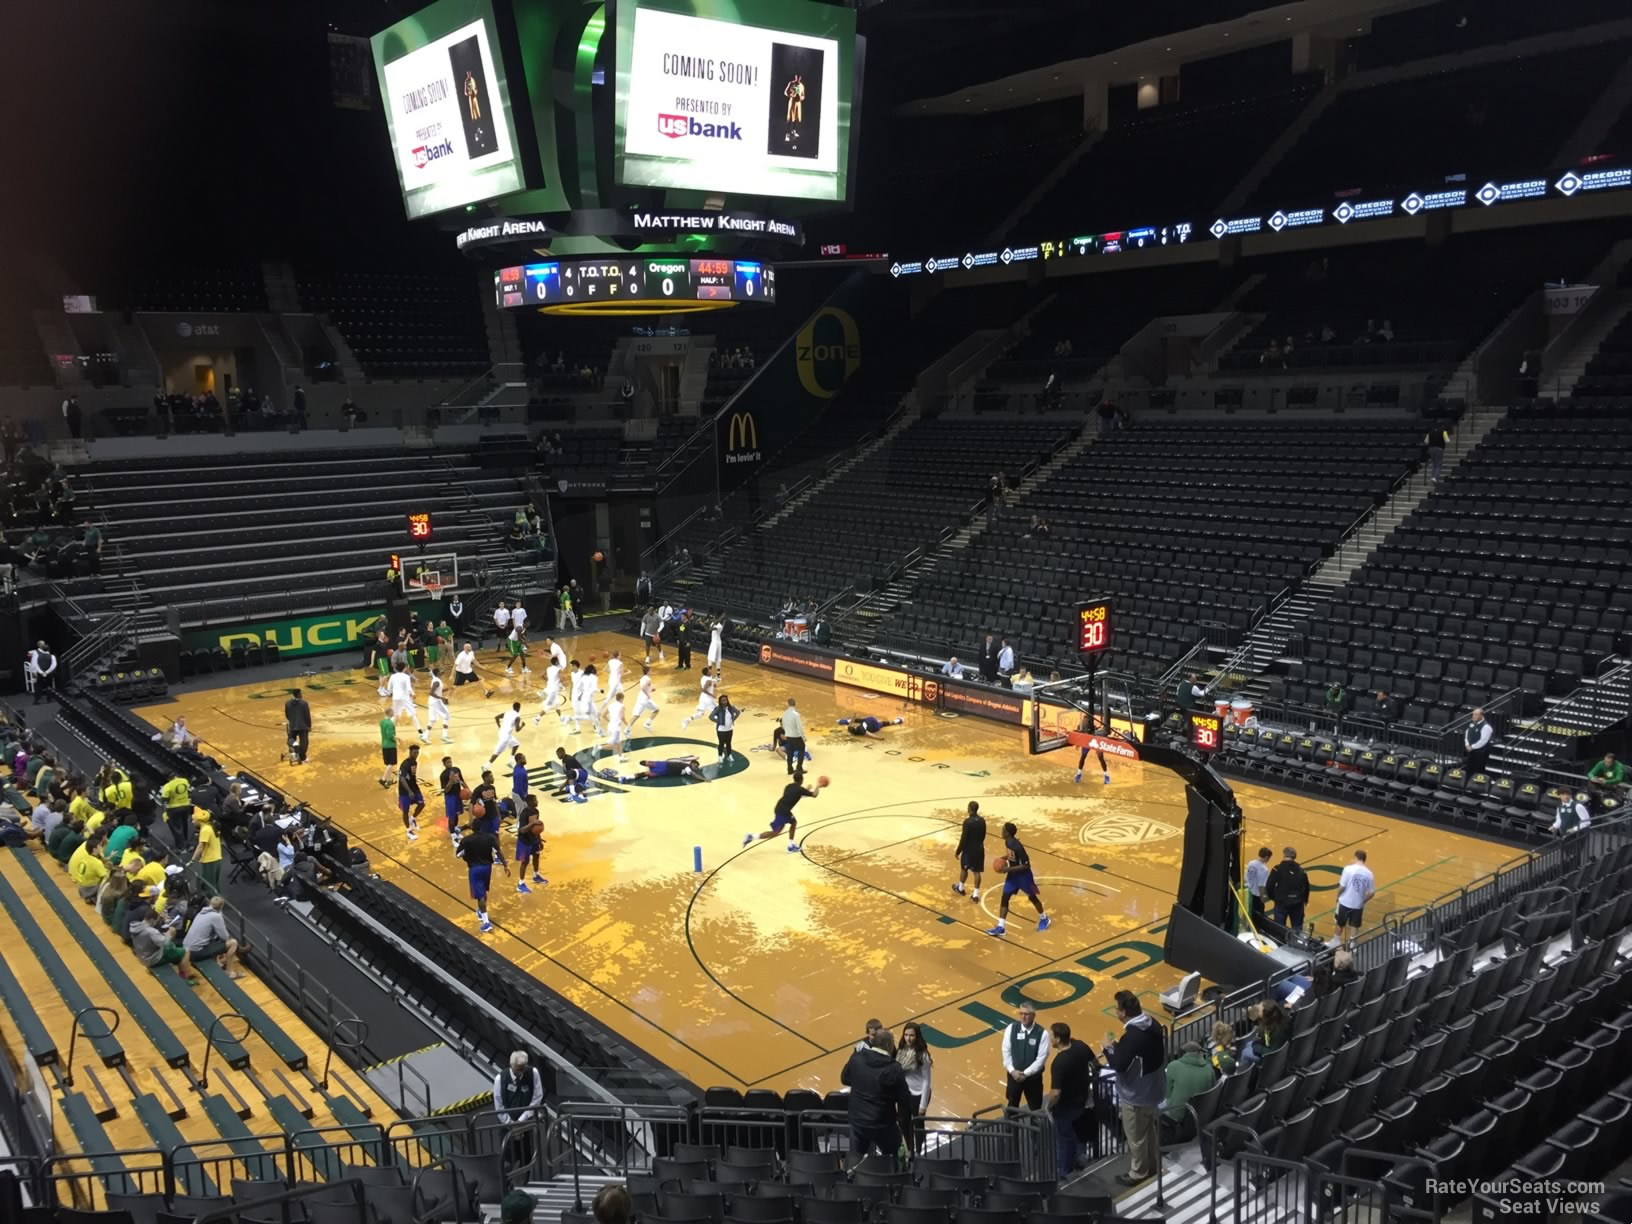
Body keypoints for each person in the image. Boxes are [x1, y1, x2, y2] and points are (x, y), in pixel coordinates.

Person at [1102, 991, 1165, 1186]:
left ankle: (1138, 1174)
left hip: (1136, 1096)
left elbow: (1119, 1065)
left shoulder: (1133, 1037)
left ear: (1123, 1012)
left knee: (1136, 1137)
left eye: (1117, 1009)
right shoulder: (1152, 1023)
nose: (1116, 1012)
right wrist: (1119, 1047)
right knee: (1149, 1131)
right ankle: (1153, 1165)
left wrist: (1107, 1048)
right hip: (1154, 1089)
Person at [840, 1029, 913, 1162]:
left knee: (855, 1159)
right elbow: (904, 1101)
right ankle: (896, 1177)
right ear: (889, 1045)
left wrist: (862, 1083)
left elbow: (844, 1079)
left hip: (857, 1121)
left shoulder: (857, 1058)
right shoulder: (893, 1068)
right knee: (895, 1158)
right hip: (882, 1124)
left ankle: (852, 1178)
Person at [1045, 1021, 1094, 1178]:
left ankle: (1064, 1172)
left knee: (1064, 1139)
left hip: (1066, 1106)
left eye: (1051, 1036)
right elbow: (1095, 1063)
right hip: (1083, 1101)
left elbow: (1056, 1093)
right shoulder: (1080, 1046)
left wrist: (1048, 1106)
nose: (1049, 1039)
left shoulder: (1059, 1063)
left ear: (1058, 1039)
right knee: (1078, 1132)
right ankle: (1080, 1158)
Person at [988, 821, 1050, 937]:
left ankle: (1044, 918)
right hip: (1013, 876)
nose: (1001, 832)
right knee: (1005, 897)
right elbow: (1012, 856)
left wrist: (1007, 870)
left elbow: (1026, 865)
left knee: (1032, 897)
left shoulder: (1017, 846)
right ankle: (1001, 927)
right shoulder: (1007, 842)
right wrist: (1003, 858)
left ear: (1008, 833)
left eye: (1003, 830)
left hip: (1024, 876)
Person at [746, 770, 825, 851]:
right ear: (802, 780)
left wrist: (806, 790)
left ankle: (790, 845)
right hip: (783, 812)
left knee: (793, 822)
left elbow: (797, 794)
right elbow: (814, 795)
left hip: (780, 808)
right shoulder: (800, 790)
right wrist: (818, 785)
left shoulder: (789, 786)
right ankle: (752, 836)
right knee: (775, 833)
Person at [1160, 1041, 1215, 1143]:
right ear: (1198, 1053)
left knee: (1152, 1104)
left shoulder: (1173, 1066)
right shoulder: (1209, 1069)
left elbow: (1166, 1094)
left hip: (1178, 1113)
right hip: (1203, 1112)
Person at [459, 817, 507, 933]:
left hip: (475, 868)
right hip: (487, 867)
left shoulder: (466, 840)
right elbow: (498, 851)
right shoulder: (490, 838)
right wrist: (505, 865)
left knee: (480, 895)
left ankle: (486, 922)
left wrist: (468, 856)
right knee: (483, 890)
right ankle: (481, 912)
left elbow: (459, 854)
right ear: (481, 827)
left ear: (472, 828)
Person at [1000, 1002, 1051, 1110]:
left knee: (1035, 1108)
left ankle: (1036, 1127)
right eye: (1021, 1013)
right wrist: (1012, 1071)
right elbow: (1006, 1051)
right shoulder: (1011, 1028)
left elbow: (1041, 1059)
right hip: (1013, 1077)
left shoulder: (1042, 1033)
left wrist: (1025, 1074)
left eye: (1026, 1014)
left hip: (1033, 1080)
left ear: (1033, 1015)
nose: (1023, 1017)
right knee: (1012, 1107)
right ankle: (1011, 1127)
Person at [183, 895, 245, 979]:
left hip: (186, 950)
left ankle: (218, 964)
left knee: (213, 940)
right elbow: (224, 937)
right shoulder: (216, 916)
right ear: (221, 906)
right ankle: (229, 972)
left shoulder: (201, 913)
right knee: (233, 943)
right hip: (196, 952)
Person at [896, 1023, 933, 1153]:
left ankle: (918, 1151)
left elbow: (926, 1080)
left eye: (911, 1035)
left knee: (918, 1124)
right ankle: (910, 1149)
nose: (908, 1038)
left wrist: (923, 1105)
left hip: (919, 1093)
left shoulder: (923, 1055)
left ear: (917, 1036)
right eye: (906, 1035)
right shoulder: (901, 1050)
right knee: (903, 1122)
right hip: (905, 1093)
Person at [132, 910, 194, 981]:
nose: (155, 923)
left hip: (143, 957)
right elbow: (166, 943)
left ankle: (176, 960)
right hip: (154, 959)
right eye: (156, 921)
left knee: (173, 949)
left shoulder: (136, 928)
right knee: (186, 951)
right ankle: (185, 978)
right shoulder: (151, 931)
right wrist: (169, 934)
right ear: (152, 920)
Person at [1334, 849, 1374, 949]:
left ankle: (1336, 941)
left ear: (1355, 857)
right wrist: (1363, 901)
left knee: (1340, 922)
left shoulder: (1348, 869)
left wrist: (1338, 896)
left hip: (1345, 902)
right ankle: (1352, 946)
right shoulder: (1369, 874)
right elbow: (1372, 892)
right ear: (1364, 859)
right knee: (1354, 925)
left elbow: (1342, 886)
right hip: (1358, 905)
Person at [1266, 846, 1310, 934]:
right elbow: (1307, 887)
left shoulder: (1277, 869)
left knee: (1279, 929)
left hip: (1281, 902)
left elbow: (1269, 886)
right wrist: (1304, 900)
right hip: (1297, 904)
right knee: (1297, 929)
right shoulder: (1302, 871)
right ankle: (1297, 944)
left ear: (1284, 855)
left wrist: (1274, 898)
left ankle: (1279, 944)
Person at [952, 800, 987, 902]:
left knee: (964, 868)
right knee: (977, 872)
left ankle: (961, 888)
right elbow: (983, 835)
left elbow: (964, 838)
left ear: (969, 809)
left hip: (969, 850)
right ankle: (976, 895)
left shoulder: (967, 822)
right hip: (979, 849)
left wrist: (958, 851)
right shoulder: (982, 820)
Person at [388, 663, 429, 742]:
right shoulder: (406, 677)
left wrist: (391, 693)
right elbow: (409, 688)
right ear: (404, 668)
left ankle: (390, 732)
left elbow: (389, 688)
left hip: (395, 698)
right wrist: (413, 694)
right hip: (404, 698)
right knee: (413, 714)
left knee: (395, 715)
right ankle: (420, 733)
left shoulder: (392, 676)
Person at [190, 810, 222, 897]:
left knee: (210, 886)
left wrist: (192, 860)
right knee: (213, 883)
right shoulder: (211, 826)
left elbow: (200, 847)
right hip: (216, 858)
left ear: (199, 820)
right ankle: (217, 901)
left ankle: (215, 904)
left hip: (210, 860)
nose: (192, 822)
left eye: (193, 820)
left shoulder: (205, 830)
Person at [515, 799, 547, 887]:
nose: (537, 801)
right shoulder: (524, 814)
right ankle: (521, 883)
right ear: (530, 802)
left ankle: (536, 875)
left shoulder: (536, 811)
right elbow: (521, 830)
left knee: (536, 857)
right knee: (525, 862)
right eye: (535, 800)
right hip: (524, 841)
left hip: (534, 839)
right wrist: (532, 823)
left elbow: (537, 829)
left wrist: (540, 841)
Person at [161, 771, 193, 852]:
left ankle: (181, 847)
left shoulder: (167, 786)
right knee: (184, 825)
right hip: (186, 806)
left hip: (174, 808)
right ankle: (187, 844)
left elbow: (165, 799)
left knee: (177, 828)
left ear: (168, 778)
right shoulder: (184, 780)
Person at [399, 743, 426, 839]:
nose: (416, 754)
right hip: (405, 791)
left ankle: (413, 818)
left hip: (414, 787)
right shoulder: (405, 764)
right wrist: (409, 791)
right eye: (414, 753)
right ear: (410, 752)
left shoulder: (415, 762)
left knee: (422, 804)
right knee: (405, 811)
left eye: (417, 753)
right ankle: (408, 831)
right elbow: (402, 779)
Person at [489, 702, 523, 767]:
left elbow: (496, 717)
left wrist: (499, 726)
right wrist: (522, 725)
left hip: (502, 733)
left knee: (516, 744)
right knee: (497, 752)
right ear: (519, 708)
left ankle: (510, 761)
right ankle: (486, 766)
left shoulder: (507, 713)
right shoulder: (517, 717)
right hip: (505, 737)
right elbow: (517, 730)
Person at [711, 691, 742, 761]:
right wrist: (718, 721)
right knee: (721, 743)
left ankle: (729, 755)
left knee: (729, 743)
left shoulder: (731, 707)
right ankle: (720, 756)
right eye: (723, 700)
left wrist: (733, 719)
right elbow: (711, 716)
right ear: (720, 701)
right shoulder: (718, 709)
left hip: (729, 729)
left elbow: (738, 712)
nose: (724, 701)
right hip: (721, 729)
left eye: (725, 700)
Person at [1245, 846, 1272, 925]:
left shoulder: (1251, 863)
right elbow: (1261, 885)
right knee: (1258, 916)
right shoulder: (1264, 869)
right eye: (1269, 858)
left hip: (1247, 891)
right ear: (1266, 857)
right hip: (1256, 895)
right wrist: (1262, 898)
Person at [284, 688, 312, 764]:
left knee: (290, 739)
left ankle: (295, 745)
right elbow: (307, 716)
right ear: (299, 694)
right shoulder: (304, 703)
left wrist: (292, 721)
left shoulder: (287, 703)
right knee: (304, 742)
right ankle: (302, 757)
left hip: (293, 725)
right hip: (302, 726)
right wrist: (309, 725)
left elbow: (287, 715)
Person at [630, 664, 661, 732]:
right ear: (648, 671)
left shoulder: (642, 678)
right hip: (645, 699)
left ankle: (627, 729)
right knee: (656, 710)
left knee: (636, 715)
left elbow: (644, 687)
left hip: (640, 699)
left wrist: (650, 690)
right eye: (650, 670)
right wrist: (648, 695)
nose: (651, 671)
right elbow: (643, 687)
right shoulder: (648, 679)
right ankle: (647, 723)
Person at [779, 698, 805, 775]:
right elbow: (799, 727)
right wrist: (803, 736)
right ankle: (799, 768)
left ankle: (790, 769)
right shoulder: (796, 714)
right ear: (795, 704)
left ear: (788, 704)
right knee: (802, 748)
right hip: (796, 736)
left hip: (788, 736)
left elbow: (783, 725)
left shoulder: (784, 713)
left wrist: (787, 732)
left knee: (790, 752)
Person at [1464, 707, 1494, 773]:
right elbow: (1466, 734)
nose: (1473, 716)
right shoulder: (1471, 723)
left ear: (1481, 715)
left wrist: (1472, 747)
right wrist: (1467, 744)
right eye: (1473, 714)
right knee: (1469, 768)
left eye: (1476, 714)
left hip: (1481, 752)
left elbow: (1483, 741)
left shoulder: (1486, 726)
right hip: (1471, 750)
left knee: (1479, 770)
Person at [378, 712, 399, 788]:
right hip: (390, 746)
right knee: (391, 763)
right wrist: (397, 738)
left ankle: (390, 780)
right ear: (391, 714)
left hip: (384, 745)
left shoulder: (382, 722)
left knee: (388, 764)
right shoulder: (390, 723)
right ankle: (383, 779)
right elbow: (390, 735)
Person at [839, 716, 904, 737]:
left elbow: (871, 735)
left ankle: (899, 720)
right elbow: (871, 735)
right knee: (884, 723)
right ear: (855, 729)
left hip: (873, 724)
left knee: (884, 723)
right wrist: (878, 738)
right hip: (872, 722)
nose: (855, 727)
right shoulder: (861, 730)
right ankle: (899, 720)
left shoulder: (859, 731)